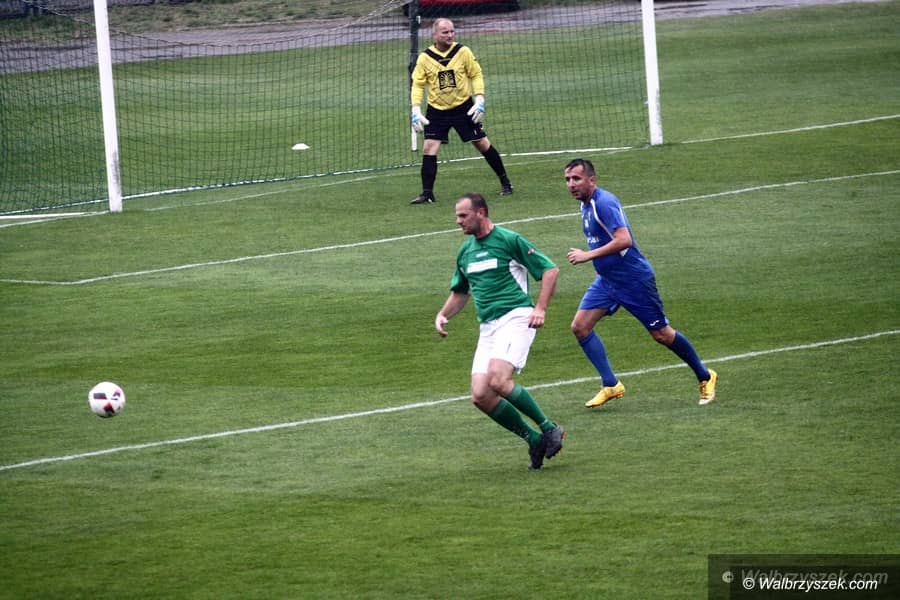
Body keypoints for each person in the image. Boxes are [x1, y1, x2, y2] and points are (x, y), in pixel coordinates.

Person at [562, 158, 718, 407]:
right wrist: (599, 268)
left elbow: (624, 240)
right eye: (568, 179)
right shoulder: (585, 205)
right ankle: (611, 384)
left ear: (592, 180)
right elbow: (603, 240)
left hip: (633, 279)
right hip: (608, 280)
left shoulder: (604, 203)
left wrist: (587, 256)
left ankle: (705, 376)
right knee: (580, 326)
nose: (571, 184)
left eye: (576, 179)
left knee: (662, 334)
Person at [435, 193, 564, 469]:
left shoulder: (508, 240)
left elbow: (550, 271)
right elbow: (461, 292)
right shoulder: (465, 252)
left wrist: (540, 308)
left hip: (516, 318)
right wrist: (443, 314)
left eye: (463, 215)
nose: (458, 221)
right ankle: (533, 440)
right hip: (488, 328)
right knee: (481, 395)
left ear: (481, 212)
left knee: (498, 378)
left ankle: (549, 427)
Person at [409, 18, 513, 205]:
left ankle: (506, 183)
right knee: (429, 148)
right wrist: (416, 108)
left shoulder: (463, 52)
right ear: (434, 34)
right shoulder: (425, 58)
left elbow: (476, 74)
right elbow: (418, 84)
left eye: (452, 31)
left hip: (463, 108)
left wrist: (479, 98)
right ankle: (427, 194)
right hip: (437, 111)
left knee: (482, 143)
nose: (450, 35)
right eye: (445, 32)